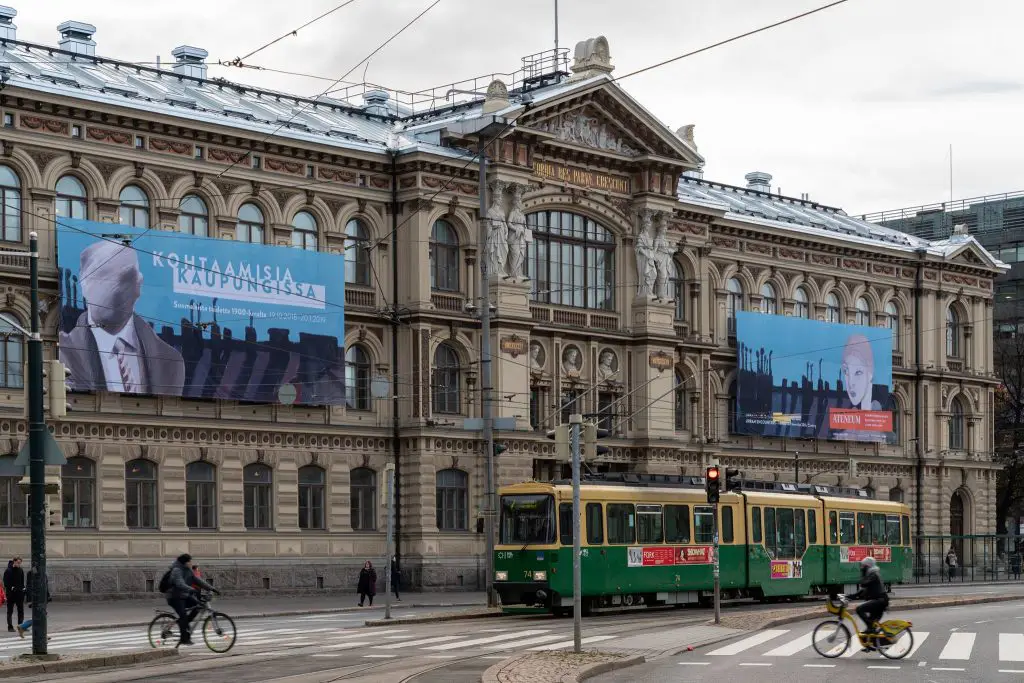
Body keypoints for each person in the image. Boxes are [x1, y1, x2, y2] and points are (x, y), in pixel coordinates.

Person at [59, 240, 185, 396]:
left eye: (125, 277)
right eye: (103, 275)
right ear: (83, 283)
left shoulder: (171, 361)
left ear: (139, 284)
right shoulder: (62, 352)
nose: (114, 286)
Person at [163, 554, 217, 646]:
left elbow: (197, 580)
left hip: (184, 595)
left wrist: (211, 588)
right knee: (183, 615)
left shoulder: (188, 570)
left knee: (199, 606)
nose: (191, 563)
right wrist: (191, 589)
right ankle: (184, 638)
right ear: (185, 562)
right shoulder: (177, 570)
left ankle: (184, 623)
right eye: (190, 561)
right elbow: (179, 584)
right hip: (174, 597)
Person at [853, 556, 889, 651]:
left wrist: (863, 574)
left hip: (880, 601)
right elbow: (863, 591)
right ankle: (870, 645)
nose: (861, 568)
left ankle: (872, 631)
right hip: (879, 601)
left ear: (867, 566)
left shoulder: (873, 575)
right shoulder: (872, 574)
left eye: (863, 566)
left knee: (859, 609)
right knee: (870, 627)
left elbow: (863, 584)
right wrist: (849, 596)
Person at [16, 565, 50, 639]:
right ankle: (42, 634)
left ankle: (23, 626)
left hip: (42, 598)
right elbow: (30, 586)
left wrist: (48, 596)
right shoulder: (32, 573)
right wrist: (31, 600)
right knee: (41, 616)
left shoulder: (43, 573)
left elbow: (45, 586)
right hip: (36, 598)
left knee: (40, 616)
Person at [3, 557, 24, 633]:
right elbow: (5, 582)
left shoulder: (21, 570)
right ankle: (10, 627)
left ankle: (20, 626)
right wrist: (11, 587)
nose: (19, 564)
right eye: (18, 562)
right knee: (10, 611)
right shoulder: (8, 571)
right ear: (14, 562)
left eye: (20, 563)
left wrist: (23, 589)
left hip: (19, 594)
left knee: (20, 611)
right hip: (11, 594)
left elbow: (22, 582)